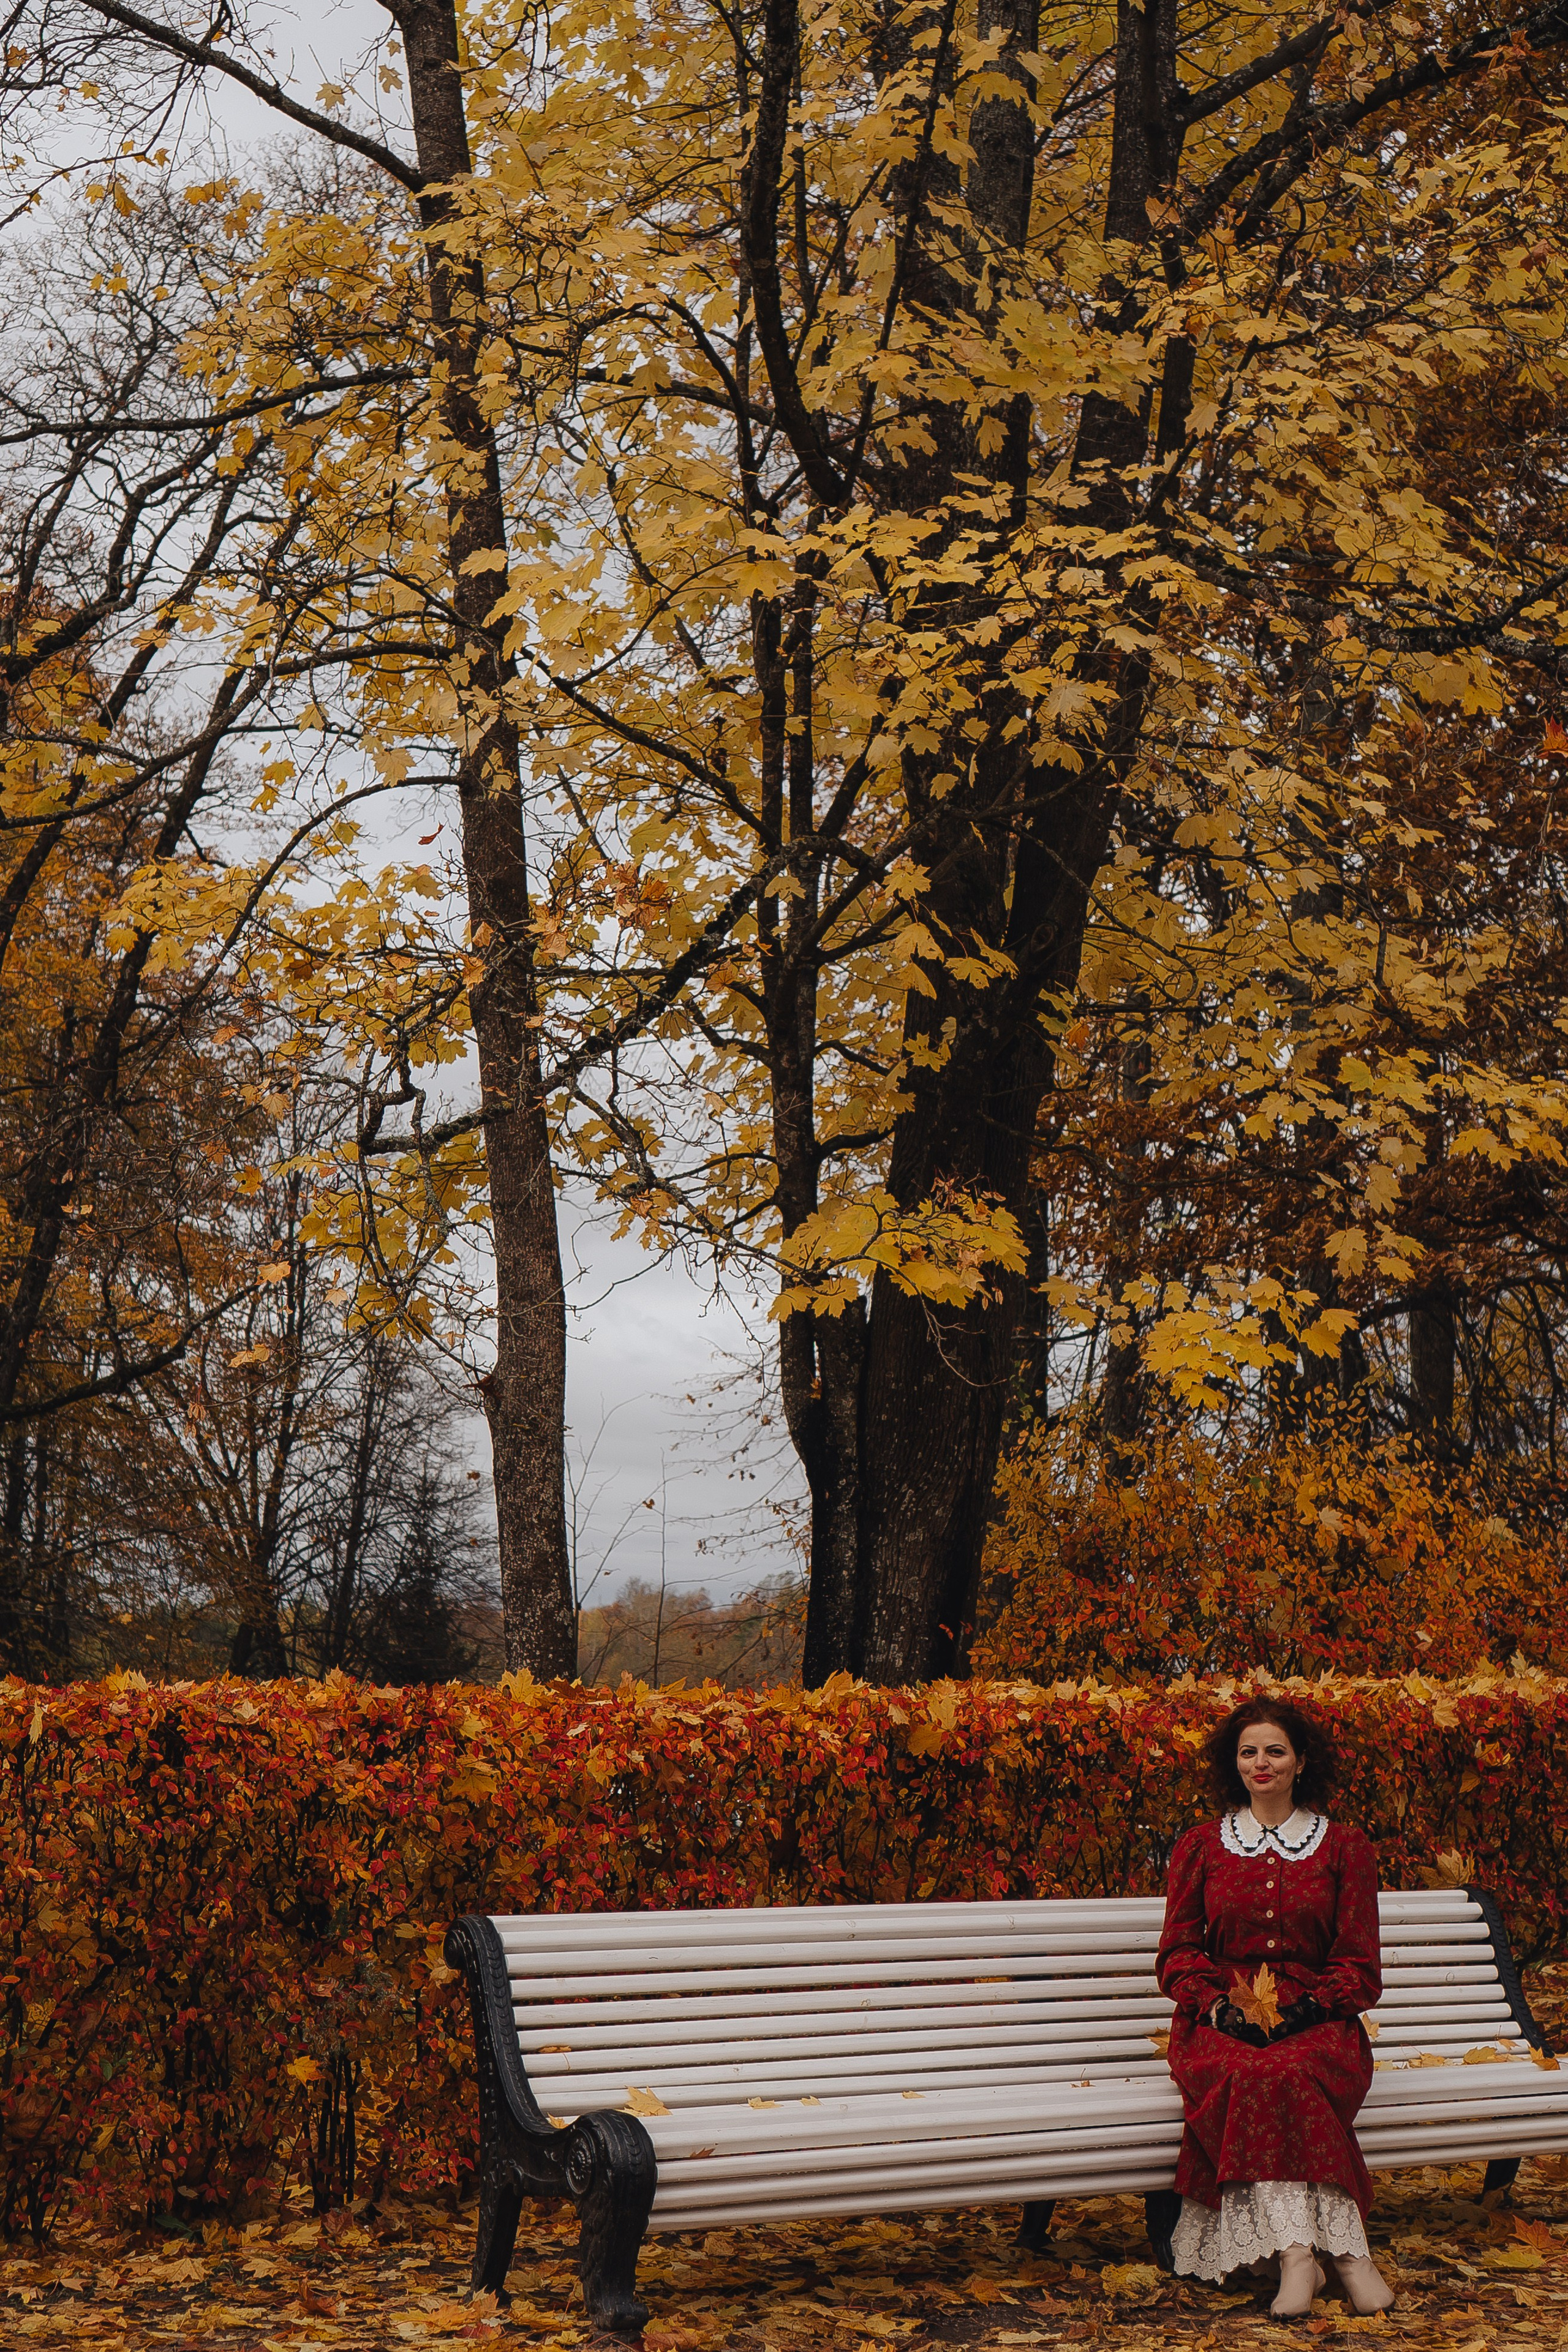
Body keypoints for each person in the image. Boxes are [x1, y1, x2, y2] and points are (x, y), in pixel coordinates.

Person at [1155, 1698, 1396, 2319]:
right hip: (1218, 2023)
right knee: (1259, 2071)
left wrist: (1313, 2007)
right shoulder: (1201, 1846)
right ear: (1233, 1764)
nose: (1261, 1763)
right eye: (1248, 1752)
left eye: (1274, 1750)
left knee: (1287, 2069)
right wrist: (1213, 2005)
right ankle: (1316, 2257)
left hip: (1320, 2022)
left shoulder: (1345, 1848)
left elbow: (1360, 1965)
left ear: (1300, 1760)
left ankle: (1332, 2258)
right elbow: (1178, 1952)